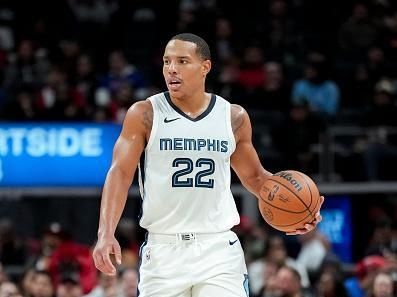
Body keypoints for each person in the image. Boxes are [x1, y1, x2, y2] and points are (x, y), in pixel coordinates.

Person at [92, 33, 324, 297]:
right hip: (164, 250)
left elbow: (256, 178)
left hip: (218, 250)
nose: (172, 69)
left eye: (182, 61)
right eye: (167, 62)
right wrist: (105, 232)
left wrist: (300, 212)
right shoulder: (145, 113)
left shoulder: (232, 116)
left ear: (205, 67)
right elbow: (120, 173)